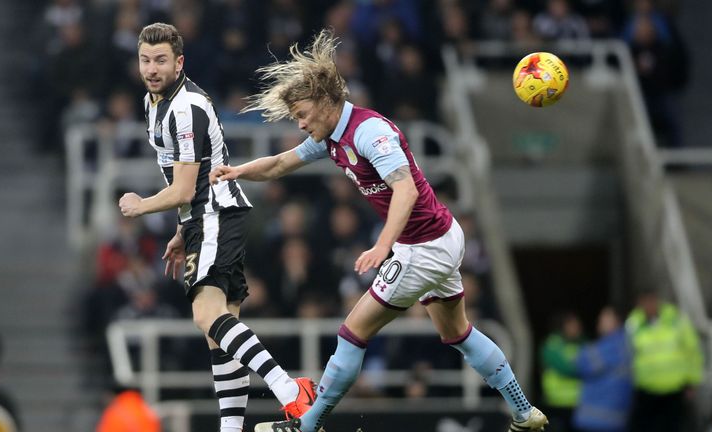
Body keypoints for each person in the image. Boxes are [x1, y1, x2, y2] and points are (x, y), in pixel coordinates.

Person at [209, 29, 548, 432]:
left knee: (352, 332)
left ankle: (306, 425)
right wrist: (238, 171)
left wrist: (381, 246)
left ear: (325, 101)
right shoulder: (333, 137)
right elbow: (281, 164)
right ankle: (525, 413)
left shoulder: (370, 132)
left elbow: (404, 190)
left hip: (422, 246)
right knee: (457, 331)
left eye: (301, 113)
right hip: (438, 236)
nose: (299, 123)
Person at [117, 23, 315, 432]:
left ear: (179, 62)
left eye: (161, 60)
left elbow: (185, 187)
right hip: (202, 217)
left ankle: (292, 392)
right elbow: (185, 180)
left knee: (206, 317)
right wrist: (179, 229)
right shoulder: (153, 102)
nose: (152, 68)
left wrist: (141, 206)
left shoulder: (184, 107)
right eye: (145, 60)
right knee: (221, 334)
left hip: (214, 212)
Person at [625, 290, 703, 432]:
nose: (648, 306)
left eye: (651, 301)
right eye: (644, 303)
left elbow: (692, 351)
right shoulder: (633, 323)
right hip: (646, 388)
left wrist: (693, 380)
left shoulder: (676, 319)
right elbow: (626, 353)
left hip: (673, 388)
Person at [572, 307, 632, 432]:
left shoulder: (614, 346)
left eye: (605, 317)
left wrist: (578, 340)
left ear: (617, 321)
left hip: (600, 419)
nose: (600, 320)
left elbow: (582, 362)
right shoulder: (623, 343)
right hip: (611, 418)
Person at [540, 312, 584, 432]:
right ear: (564, 326)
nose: (577, 328)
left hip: (578, 403)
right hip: (556, 403)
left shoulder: (582, 343)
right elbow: (564, 368)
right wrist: (585, 368)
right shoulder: (553, 344)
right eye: (573, 325)